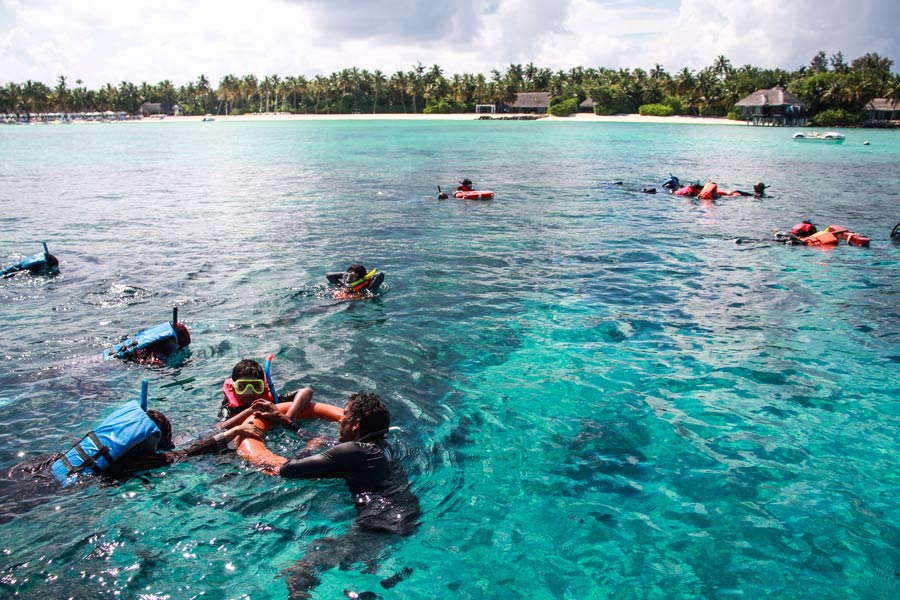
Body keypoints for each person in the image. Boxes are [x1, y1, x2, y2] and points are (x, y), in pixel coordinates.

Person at [2, 402, 263, 522]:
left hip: (39, 468)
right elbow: (188, 453)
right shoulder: (136, 462)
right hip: (52, 493)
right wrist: (232, 433)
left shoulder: (102, 443)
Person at [271, 392, 421, 598]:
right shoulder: (385, 447)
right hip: (408, 519)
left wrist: (308, 448)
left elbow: (288, 470)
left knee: (300, 571)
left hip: (378, 525)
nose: (341, 420)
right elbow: (339, 455)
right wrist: (293, 427)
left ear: (356, 423)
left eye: (345, 416)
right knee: (365, 570)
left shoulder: (353, 451)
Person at [219, 357, 314, 423]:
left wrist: (289, 417)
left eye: (256, 386)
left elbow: (307, 391)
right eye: (242, 387)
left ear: (263, 387)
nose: (249, 393)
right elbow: (221, 427)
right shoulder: (229, 409)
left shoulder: (272, 402)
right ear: (234, 387)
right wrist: (248, 411)